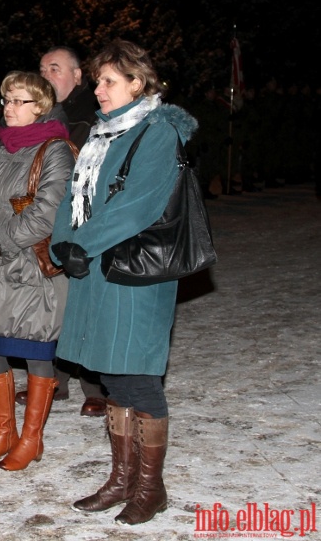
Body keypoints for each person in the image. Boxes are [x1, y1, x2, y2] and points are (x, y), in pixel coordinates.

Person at [49, 39, 198, 525]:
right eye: (97, 81)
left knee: (138, 376)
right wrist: (62, 244)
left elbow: (139, 205)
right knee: (111, 374)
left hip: (135, 273)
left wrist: (81, 245)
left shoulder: (158, 133)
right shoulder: (101, 134)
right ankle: (121, 479)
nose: (98, 89)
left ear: (138, 83)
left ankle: (149, 489)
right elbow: (75, 196)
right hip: (95, 270)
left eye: (109, 81)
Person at [0, 71, 75, 470]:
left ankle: (31, 439)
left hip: (32, 271)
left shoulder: (56, 149)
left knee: (37, 354)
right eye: (6, 99)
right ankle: (2, 433)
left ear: (40, 107)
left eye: (19, 101)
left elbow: (46, 213)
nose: (8, 107)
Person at [21, 45, 107, 418]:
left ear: (77, 77)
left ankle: (97, 387)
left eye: (55, 68)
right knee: (52, 304)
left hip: (81, 221)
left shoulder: (92, 115)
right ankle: (54, 379)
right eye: (42, 68)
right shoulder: (39, 115)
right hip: (45, 219)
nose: (46, 75)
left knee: (84, 306)